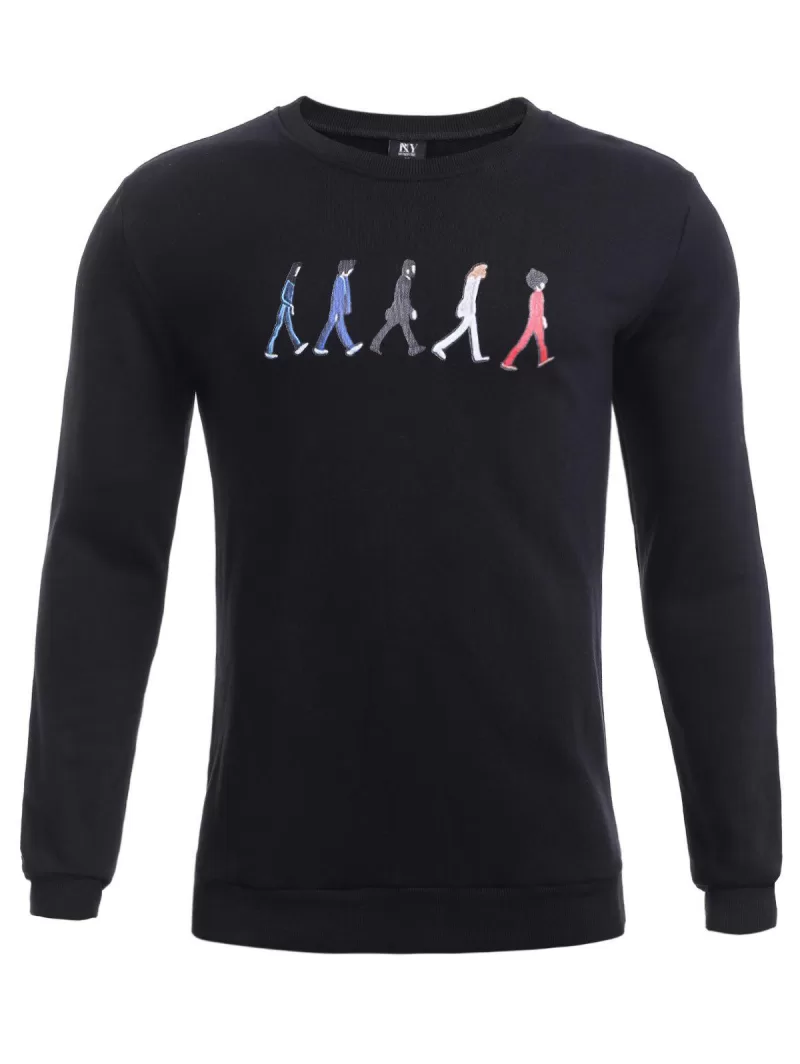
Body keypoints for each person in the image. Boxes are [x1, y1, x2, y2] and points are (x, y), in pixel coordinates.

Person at [432, 263, 489, 362]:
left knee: (473, 333)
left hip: (471, 310)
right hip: (468, 310)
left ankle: (477, 356)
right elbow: (467, 296)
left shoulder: (475, 278)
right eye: (484, 271)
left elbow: (472, 295)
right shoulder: (472, 279)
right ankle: (438, 347)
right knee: (459, 332)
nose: (485, 273)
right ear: (479, 270)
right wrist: (464, 309)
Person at [370, 259, 425, 356]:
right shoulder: (404, 280)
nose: (414, 271)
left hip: (399, 309)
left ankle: (375, 344)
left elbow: (403, 298)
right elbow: (402, 298)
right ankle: (413, 348)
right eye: (412, 268)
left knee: (397, 328)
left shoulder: (406, 280)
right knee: (401, 328)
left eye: (414, 268)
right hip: (399, 310)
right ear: (407, 269)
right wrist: (410, 310)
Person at [501, 268, 552, 371]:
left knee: (541, 342)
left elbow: (540, 310)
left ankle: (543, 359)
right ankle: (507, 362)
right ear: (537, 284)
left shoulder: (540, 294)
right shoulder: (535, 295)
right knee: (523, 343)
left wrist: (543, 319)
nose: (544, 284)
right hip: (534, 321)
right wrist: (540, 320)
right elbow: (534, 311)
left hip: (537, 321)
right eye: (542, 282)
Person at [314, 260, 362, 356]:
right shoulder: (339, 281)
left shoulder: (344, 279)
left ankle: (350, 347)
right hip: (336, 309)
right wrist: (334, 313)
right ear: (345, 269)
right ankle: (318, 347)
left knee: (341, 328)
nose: (351, 271)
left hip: (339, 309)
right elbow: (335, 299)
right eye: (350, 270)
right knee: (329, 327)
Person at [265, 262, 308, 358]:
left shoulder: (293, 282)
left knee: (290, 327)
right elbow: (282, 297)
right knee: (277, 329)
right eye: (297, 270)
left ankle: (297, 345)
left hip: (287, 309)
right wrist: (291, 306)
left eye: (299, 270)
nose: (298, 272)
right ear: (293, 270)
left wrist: (290, 307)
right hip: (283, 308)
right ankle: (269, 350)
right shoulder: (288, 281)